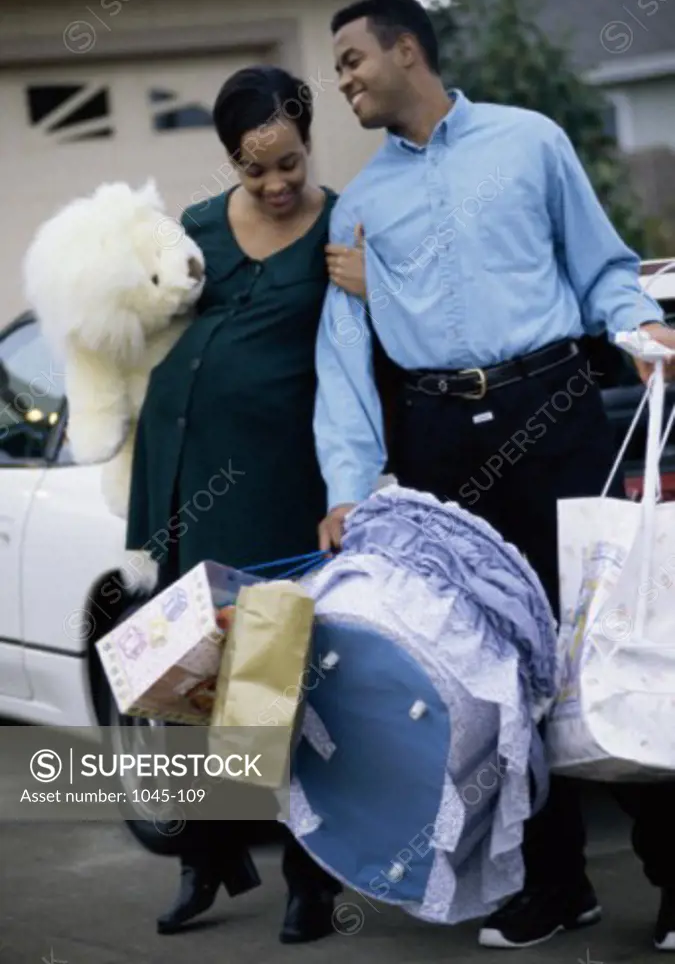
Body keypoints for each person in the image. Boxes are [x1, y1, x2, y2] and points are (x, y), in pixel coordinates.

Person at [313, 0, 675, 952]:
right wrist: (348, 488)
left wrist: (638, 329)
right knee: (492, 673)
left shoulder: (530, 142)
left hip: (550, 412)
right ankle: (554, 886)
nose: (341, 78)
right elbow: (345, 359)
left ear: (405, 51)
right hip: (437, 445)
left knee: (602, 650)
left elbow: (601, 268)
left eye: (352, 58)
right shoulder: (361, 206)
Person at [125, 64, 364, 942]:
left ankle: (308, 878)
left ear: (309, 143)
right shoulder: (191, 228)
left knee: (274, 688)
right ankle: (208, 857)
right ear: (229, 160)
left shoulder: (344, 227)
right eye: (251, 168)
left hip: (282, 491)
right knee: (187, 686)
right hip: (186, 481)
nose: (272, 185)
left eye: (287, 164)